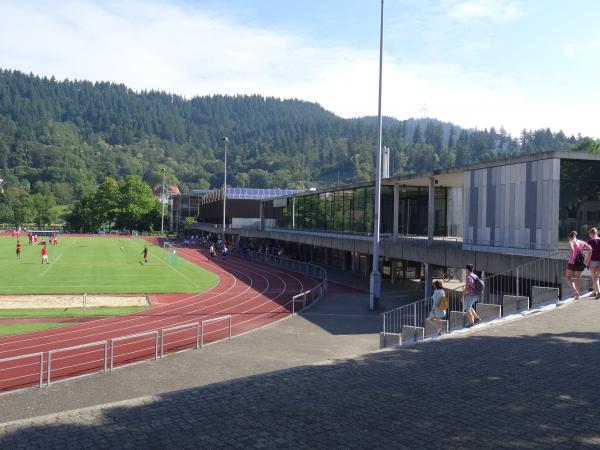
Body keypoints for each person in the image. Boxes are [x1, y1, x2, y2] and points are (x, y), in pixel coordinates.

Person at [567, 231, 591, 299]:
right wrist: (587, 260)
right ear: (575, 236)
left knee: (568, 277)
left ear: (570, 237)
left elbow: (572, 249)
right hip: (580, 262)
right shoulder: (581, 242)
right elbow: (590, 249)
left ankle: (575, 291)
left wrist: (572, 257)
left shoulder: (571, 241)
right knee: (578, 278)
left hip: (572, 262)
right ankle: (577, 295)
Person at [586, 228, 600, 299]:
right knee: (597, 277)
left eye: (589, 234)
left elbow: (589, 253)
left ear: (591, 234)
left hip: (593, 261)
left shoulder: (590, 241)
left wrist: (587, 261)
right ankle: (594, 292)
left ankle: (598, 292)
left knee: (594, 279)